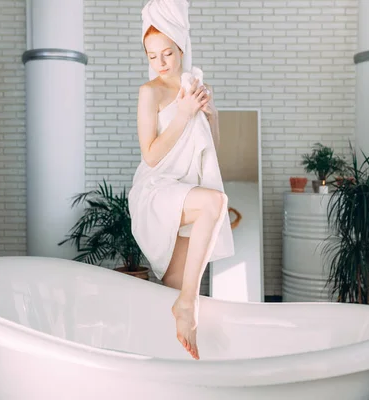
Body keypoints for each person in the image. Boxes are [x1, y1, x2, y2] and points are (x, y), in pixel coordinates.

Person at [128, 0, 234, 361]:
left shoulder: (193, 85)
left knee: (173, 285)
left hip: (185, 187)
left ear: (181, 47)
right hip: (156, 189)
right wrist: (184, 112)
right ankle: (189, 305)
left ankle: (165, 365)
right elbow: (152, 155)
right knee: (214, 203)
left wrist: (210, 115)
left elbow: (209, 154)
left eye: (167, 53)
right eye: (152, 54)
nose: (160, 62)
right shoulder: (150, 92)